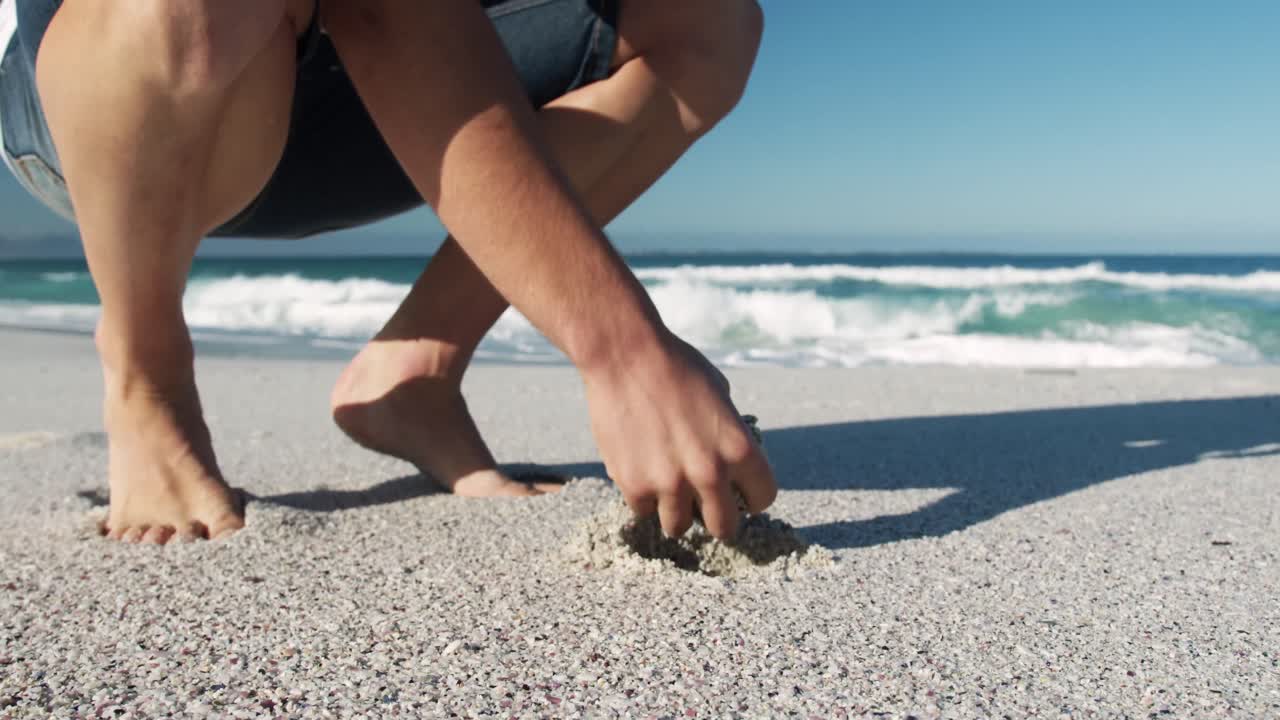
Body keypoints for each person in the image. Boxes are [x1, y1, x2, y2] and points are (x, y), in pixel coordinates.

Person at [0, 0, 777, 544]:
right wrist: (621, 348)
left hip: (348, 92)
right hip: (108, 100)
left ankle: (415, 373)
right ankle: (147, 374)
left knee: (704, 21)